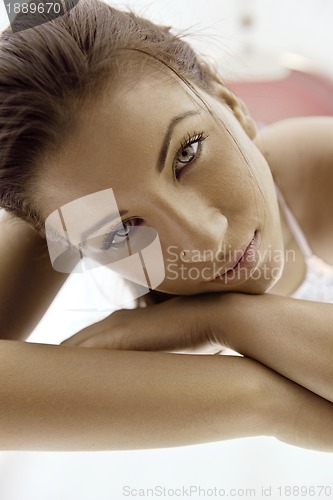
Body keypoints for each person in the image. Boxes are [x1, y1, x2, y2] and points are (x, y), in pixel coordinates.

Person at [0, 0, 333, 452]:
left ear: (233, 106)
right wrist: (262, 397)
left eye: (187, 153)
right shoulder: (65, 222)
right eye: (121, 230)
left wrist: (216, 319)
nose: (204, 237)